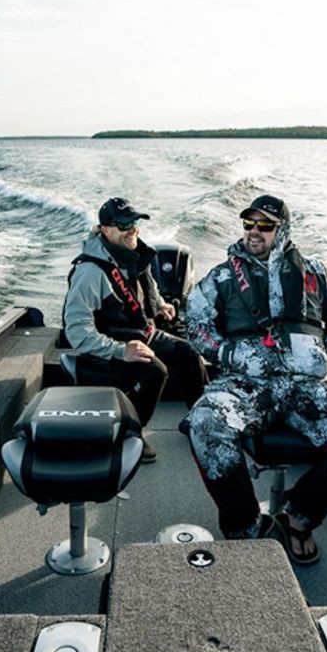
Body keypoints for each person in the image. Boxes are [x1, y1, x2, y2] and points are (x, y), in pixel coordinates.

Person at [183, 194, 327, 563]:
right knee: (205, 423)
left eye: (265, 225)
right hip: (247, 384)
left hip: (308, 386)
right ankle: (245, 528)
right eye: (249, 223)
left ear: (283, 230)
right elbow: (195, 324)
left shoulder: (317, 274)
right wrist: (228, 354)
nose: (254, 231)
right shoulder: (221, 277)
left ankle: (299, 517)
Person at [63, 197, 208, 462]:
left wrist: (160, 305)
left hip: (141, 333)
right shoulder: (90, 272)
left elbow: (145, 289)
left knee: (188, 354)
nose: (132, 229)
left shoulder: (134, 254)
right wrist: (122, 351)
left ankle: (201, 419)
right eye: (123, 224)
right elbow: (77, 332)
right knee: (154, 371)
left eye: (134, 222)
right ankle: (129, 434)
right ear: (105, 229)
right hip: (110, 345)